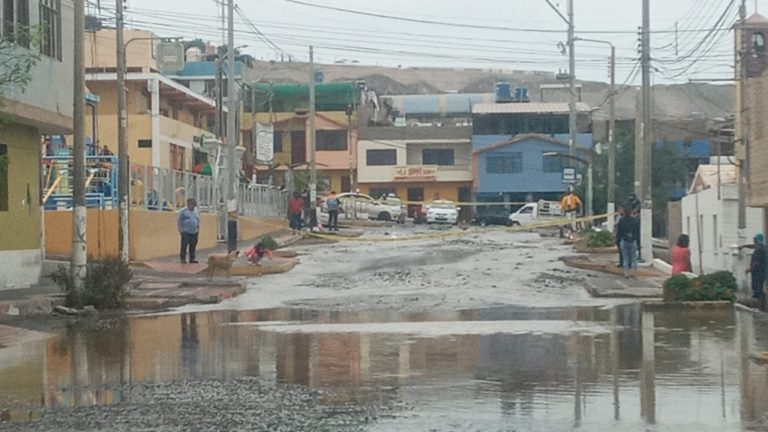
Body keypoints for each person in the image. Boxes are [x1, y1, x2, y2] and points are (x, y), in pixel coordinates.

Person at [742, 233, 767, 304]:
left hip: (758, 272)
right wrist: (744, 246)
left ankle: (761, 305)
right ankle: (761, 303)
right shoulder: (762, 247)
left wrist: (749, 269)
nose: (753, 241)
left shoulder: (758, 250)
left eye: (754, 240)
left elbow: (756, 262)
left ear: (756, 240)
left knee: (757, 288)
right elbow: (753, 246)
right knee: (758, 287)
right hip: (762, 272)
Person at [616, 206, 640, 278]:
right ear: (630, 212)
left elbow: (619, 232)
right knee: (634, 258)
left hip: (624, 240)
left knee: (625, 258)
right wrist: (638, 241)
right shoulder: (634, 221)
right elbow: (637, 232)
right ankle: (635, 274)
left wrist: (618, 241)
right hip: (633, 241)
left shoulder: (621, 221)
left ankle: (626, 274)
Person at [177, 198, 200, 264]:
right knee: (184, 245)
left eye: (194, 205)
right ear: (188, 204)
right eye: (192, 205)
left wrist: (198, 228)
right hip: (186, 231)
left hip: (194, 231)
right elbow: (179, 221)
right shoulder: (183, 211)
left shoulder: (196, 211)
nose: (193, 206)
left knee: (193, 246)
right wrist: (181, 230)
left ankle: (192, 258)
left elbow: (198, 220)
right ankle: (183, 259)